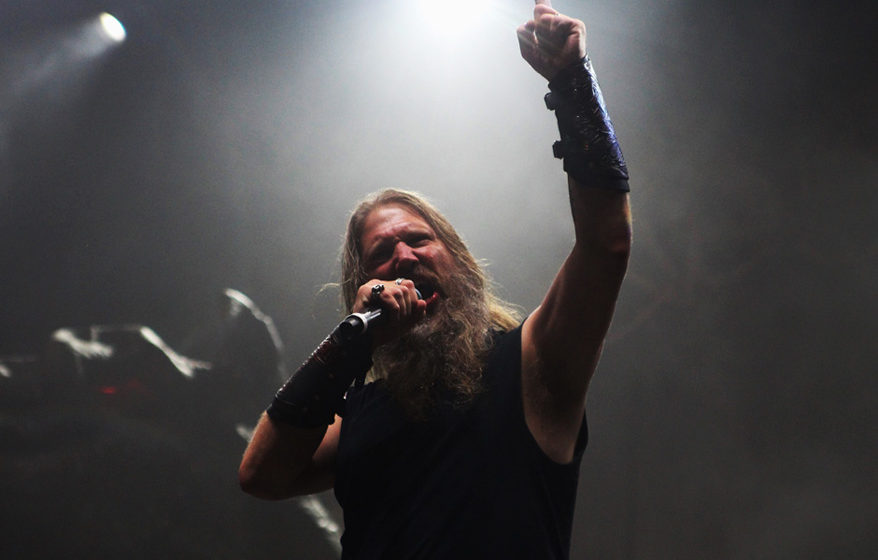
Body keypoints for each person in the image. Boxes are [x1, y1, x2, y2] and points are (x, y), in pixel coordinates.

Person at [239, 1, 632, 557]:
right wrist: (353, 339)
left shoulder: (530, 362)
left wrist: (573, 82)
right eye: (381, 253)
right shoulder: (362, 412)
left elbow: (606, 243)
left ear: (460, 263)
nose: (403, 256)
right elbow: (260, 474)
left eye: (418, 240)